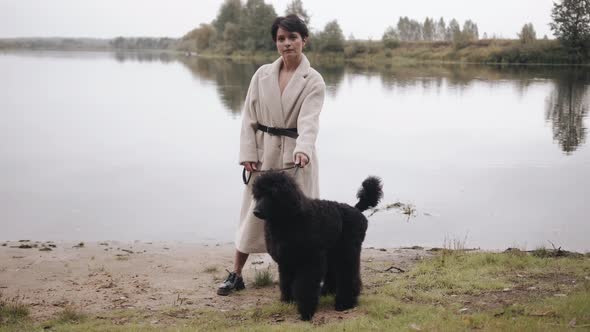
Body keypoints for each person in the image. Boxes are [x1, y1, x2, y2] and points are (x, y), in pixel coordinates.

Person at [217, 14, 326, 296]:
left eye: (293, 38)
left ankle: (305, 277)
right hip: (264, 157)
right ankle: (236, 274)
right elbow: (248, 117)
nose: (287, 44)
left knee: (301, 222)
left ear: (304, 40)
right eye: (281, 38)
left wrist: (303, 150)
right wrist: (248, 152)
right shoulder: (262, 74)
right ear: (275, 42)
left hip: (296, 161)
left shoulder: (313, 80)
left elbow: (310, 120)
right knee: (253, 216)